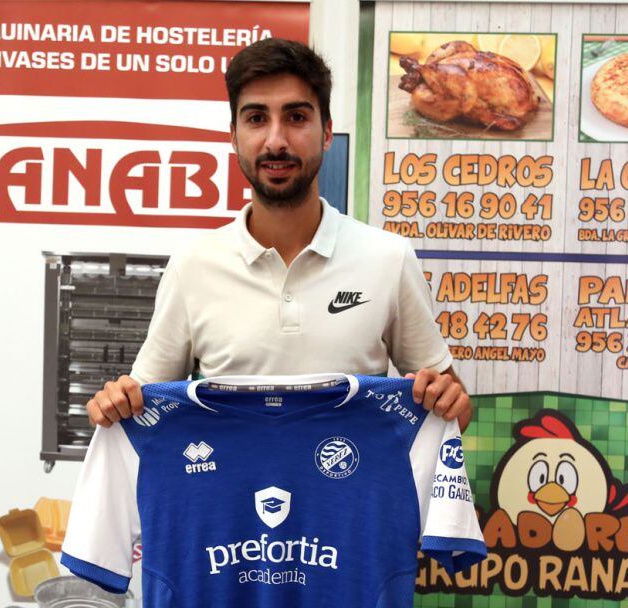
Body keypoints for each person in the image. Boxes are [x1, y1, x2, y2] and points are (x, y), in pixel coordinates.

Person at [87, 38, 472, 430]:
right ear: (234, 136)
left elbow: (455, 415)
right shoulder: (193, 265)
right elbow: (144, 409)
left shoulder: (388, 258)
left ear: (326, 133)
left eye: (296, 117)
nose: (276, 141)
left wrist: (450, 400)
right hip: (227, 492)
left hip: (350, 490)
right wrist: (114, 404)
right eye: (256, 118)